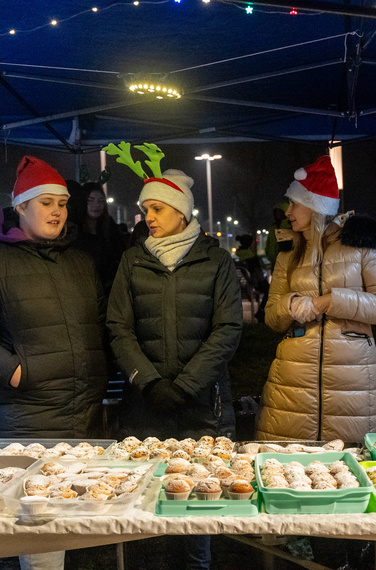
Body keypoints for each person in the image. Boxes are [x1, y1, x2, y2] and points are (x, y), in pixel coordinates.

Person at [0, 156, 109, 570]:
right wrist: (17, 371)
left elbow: (100, 326)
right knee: (38, 546)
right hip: (25, 422)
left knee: (72, 534)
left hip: (82, 420)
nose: (57, 211)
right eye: (46, 202)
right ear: (21, 207)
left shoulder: (79, 261)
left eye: (63, 203)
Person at [106, 147, 242, 570]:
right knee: (148, 495)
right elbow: (118, 328)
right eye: (146, 208)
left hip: (203, 404)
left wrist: (185, 385)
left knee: (197, 496)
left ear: (182, 213)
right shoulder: (132, 261)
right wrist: (148, 381)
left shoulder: (215, 260)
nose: (149, 216)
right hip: (147, 403)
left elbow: (227, 329)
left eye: (158, 208)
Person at [256, 155, 376, 443]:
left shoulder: (361, 246)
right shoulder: (288, 254)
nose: (288, 211)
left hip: (354, 385)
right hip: (292, 385)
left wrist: (329, 301)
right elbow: (271, 317)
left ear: (315, 206)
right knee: (288, 471)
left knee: (350, 469)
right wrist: (291, 305)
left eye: (295, 204)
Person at [67, 180, 126, 295]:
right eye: (91, 200)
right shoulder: (74, 231)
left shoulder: (110, 228)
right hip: (83, 290)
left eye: (100, 201)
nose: (96, 205)